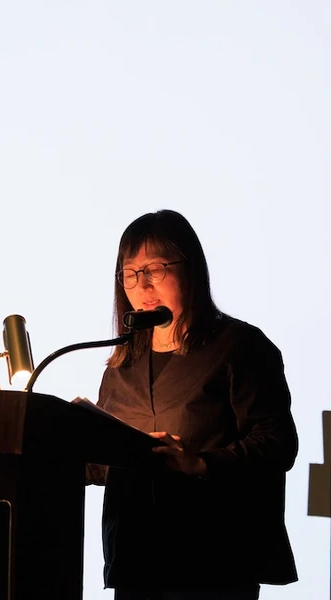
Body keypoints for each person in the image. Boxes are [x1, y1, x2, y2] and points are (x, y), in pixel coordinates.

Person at [87, 209, 298, 600]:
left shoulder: (239, 347)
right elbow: (106, 462)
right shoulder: (122, 363)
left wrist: (200, 463)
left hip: (214, 561)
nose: (142, 286)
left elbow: (277, 442)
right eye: (130, 273)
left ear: (191, 269)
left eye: (155, 268)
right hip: (136, 560)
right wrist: (72, 451)